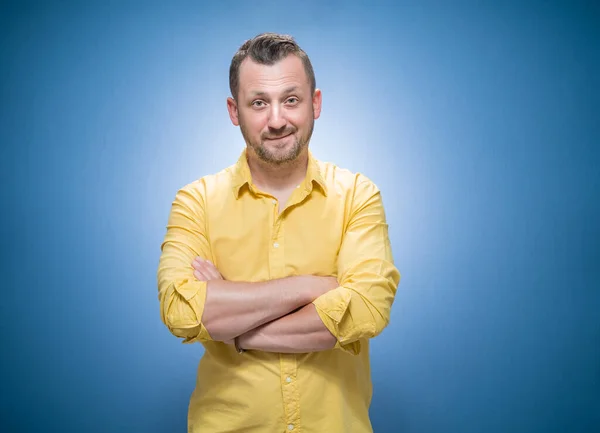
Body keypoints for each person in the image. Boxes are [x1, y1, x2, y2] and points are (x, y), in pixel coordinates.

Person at [157, 32, 401, 433]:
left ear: (315, 103)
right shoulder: (195, 201)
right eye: (258, 103)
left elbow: (365, 309)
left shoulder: (357, 195)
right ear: (234, 111)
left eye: (291, 99)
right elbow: (182, 311)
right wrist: (313, 286)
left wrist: (235, 331)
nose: (276, 120)